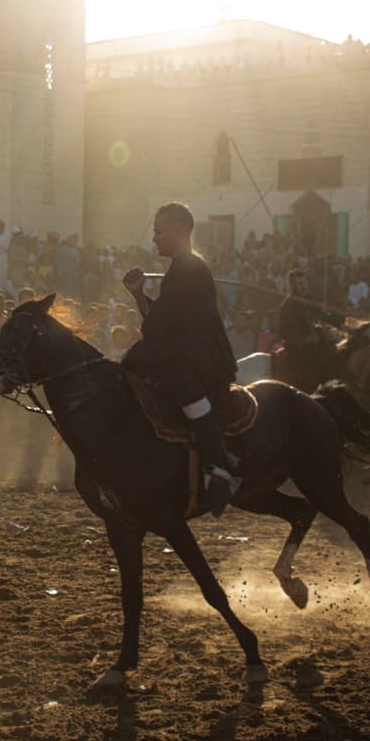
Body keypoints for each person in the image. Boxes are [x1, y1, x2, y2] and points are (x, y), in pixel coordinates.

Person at [122, 202, 236, 517]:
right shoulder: (181, 268)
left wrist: (143, 303)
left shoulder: (188, 267)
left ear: (180, 231)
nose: (155, 238)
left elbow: (158, 325)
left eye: (159, 231)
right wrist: (138, 295)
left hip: (201, 358)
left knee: (169, 376)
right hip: (182, 352)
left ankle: (218, 469)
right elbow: (160, 321)